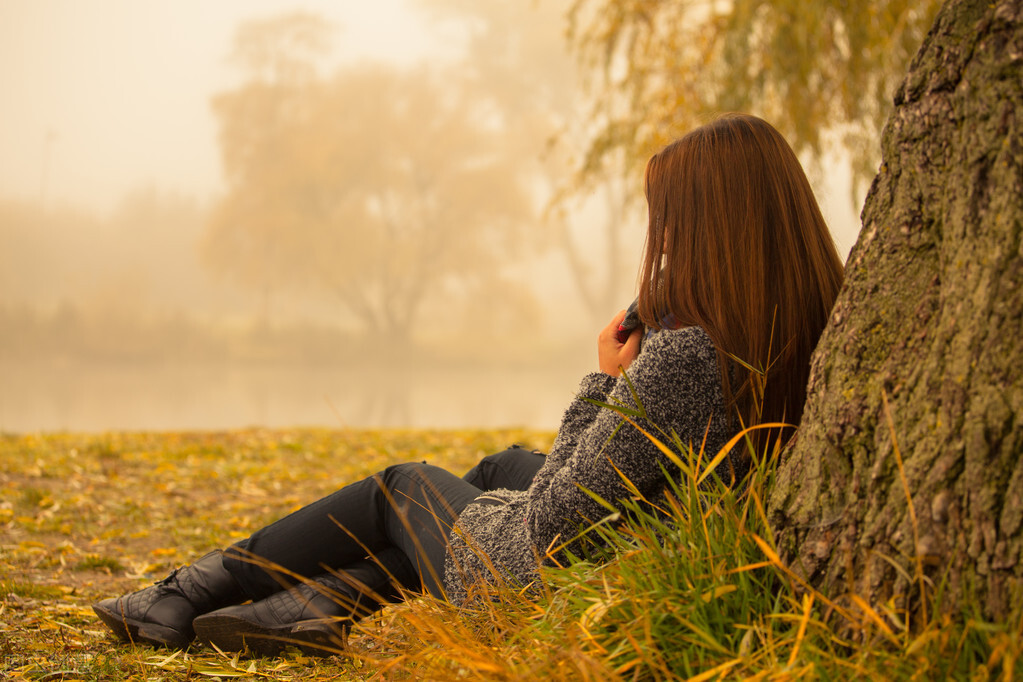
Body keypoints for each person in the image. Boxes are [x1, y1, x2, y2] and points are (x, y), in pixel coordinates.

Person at [92, 113, 844, 657]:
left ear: (706, 228)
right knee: (492, 469)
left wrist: (604, 379)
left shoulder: (682, 357)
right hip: (651, 544)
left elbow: (551, 520)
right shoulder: (817, 321)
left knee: (400, 485)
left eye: (671, 223)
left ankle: (183, 593)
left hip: (541, 584)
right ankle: (310, 607)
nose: (665, 241)